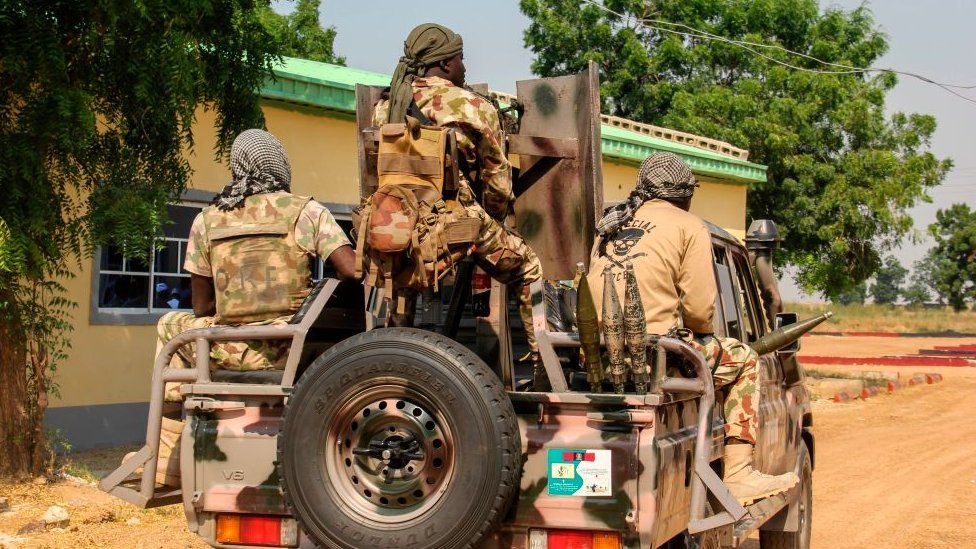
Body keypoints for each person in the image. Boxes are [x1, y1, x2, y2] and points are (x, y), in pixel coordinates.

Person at [145, 129, 357, 486]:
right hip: (291, 351)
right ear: (279, 164)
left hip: (225, 351)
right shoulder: (306, 211)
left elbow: (200, 306)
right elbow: (351, 269)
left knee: (170, 324)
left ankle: (169, 459)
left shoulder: (207, 219)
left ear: (237, 166)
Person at [587, 152, 799, 505]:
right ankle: (740, 474)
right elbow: (701, 312)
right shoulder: (689, 227)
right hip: (660, 356)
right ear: (686, 195)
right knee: (745, 358)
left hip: (597, 355)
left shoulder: (610, 224)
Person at [371, 23, 545, 385]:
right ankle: (543, 367)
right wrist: (494, 222)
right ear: (446, 64)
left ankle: (389, 371)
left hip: (399, 227)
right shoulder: (472, 106)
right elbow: (497, 180)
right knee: (528, 269)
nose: (464, 66)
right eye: (461, 58)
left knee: (399, 286)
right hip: (455, 225)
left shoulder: (385, 108)